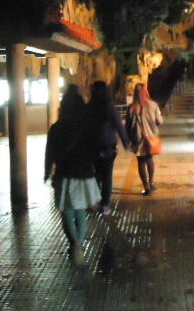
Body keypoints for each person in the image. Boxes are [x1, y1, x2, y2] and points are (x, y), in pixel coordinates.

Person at [44, 84, 100, 266]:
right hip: (84, 174)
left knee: (67, 211)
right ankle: (79, 245)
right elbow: (94, 150)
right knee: (80, 210)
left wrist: (47, 171)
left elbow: (50, 153)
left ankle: (75, 245)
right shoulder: (87, 126)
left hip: (65, 174)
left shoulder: (56, 128)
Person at [87, 81, 129, 216]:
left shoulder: (88, 107)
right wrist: (126, 142)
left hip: (92, 147)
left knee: (95, 174)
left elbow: (82, 127)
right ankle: (105, 204)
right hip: (108, 147)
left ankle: (95, 200)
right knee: (107, 176)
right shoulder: (109, 107)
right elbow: (119, 125)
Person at [126, 83, 163, 195]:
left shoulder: (131, 108)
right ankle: (151, 184)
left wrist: (129, 139)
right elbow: (159, 121)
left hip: (137, 139)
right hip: (150, 138)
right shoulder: (153, 105)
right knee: (149, 159)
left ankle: (146, 187)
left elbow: (127, 126)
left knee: (141, 162)